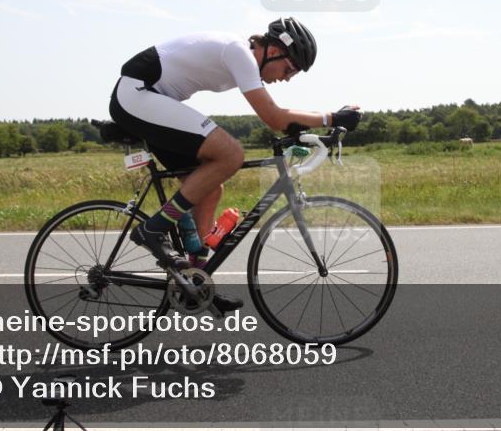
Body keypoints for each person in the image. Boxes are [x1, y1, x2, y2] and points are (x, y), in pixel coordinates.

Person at [108, 17, 361, 311]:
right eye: (290, 68)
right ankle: (154, 229)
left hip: (151, 100)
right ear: (275, 50)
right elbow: (274, 118)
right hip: (138, 94)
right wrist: (331, 117)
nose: (287, 78)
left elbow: (279, 119)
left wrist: (306, 128)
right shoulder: (238, 52)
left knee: (210, 190)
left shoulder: (242, 58)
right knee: (231, 155)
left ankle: (196, 281)